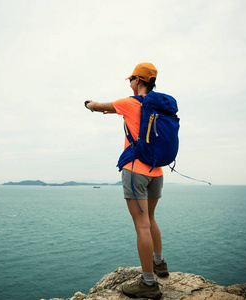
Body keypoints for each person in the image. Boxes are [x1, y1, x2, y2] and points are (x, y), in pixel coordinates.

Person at [85, 62, 169, 299]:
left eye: (131, 79)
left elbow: (96, 106)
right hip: (157, 172)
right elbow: (128, 114)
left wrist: (89, 104)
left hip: (135, 172)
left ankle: (149, 283)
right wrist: (114, 111)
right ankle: (159, 264)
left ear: (138, 80)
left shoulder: (130, 103)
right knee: (151, 219)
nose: (130, 83)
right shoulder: (159, 106)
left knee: (141, 225)